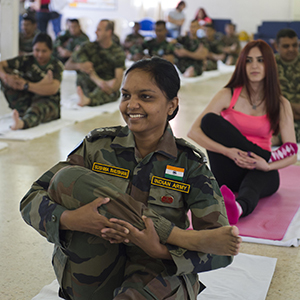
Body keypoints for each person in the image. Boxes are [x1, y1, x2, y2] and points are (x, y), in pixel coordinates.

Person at [20, 57, 241, 300]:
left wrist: (159, 249)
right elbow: (31, 199)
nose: (131, 105)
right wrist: (71, 219)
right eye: (126, 96)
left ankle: (168, 238)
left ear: (171, 105)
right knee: (69, 176)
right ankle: (175, 233)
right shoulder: (97, 147)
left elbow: (221, 249)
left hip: (157, 267)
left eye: (145, 97)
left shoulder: (189, 164)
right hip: (97, 261)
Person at [188, 40, 298, 225]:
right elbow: (194, 132)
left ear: (269, 65)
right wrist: (228, 151)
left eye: (260, 60)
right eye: (249, 60)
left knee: (258, 176)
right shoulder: (228, 94)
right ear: (242, 64)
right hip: (229, 167)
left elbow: (292, 152)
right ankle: (266, 156)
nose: (254, 65)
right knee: (209, 120)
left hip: (261, 170)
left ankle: (237, 209)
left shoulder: (280, 103)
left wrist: (266, 165)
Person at [0, 32, 64, 130]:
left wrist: (26, 85)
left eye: (44, 51)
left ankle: (22, 123)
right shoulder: (27, 59)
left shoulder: (56, 65)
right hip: (28, 99)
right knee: (6, 73)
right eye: (36, 50)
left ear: (51, 51)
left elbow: (53, 89)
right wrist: (7, 77)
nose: (39, 54)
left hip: (48, 102)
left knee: (37, 109)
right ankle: (21, 110)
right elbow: (1, 64)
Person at [64, 19, 125, 107]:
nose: (95, 32)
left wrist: (110, 88)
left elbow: (118, 81)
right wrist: (79, 66)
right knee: (83, 59)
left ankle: (88, 100)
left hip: (103, 88)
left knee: (114, 93)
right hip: (87, 84)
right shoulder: (87, 47)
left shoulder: (117, 52)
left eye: (99, 30)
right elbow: (67, 65)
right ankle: (90, 94)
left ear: (109, 32)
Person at [274, 28, 300, 143]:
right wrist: (289, 108)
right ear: (276, 46)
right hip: (278, 116)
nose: (291, 49)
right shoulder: (268, 65)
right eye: (286, 46)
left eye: (294, 45)